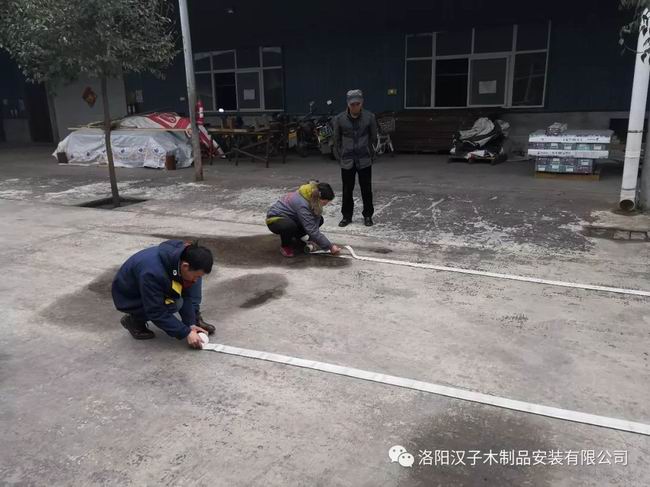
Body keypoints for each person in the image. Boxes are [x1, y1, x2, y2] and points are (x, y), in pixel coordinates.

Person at [112, 240, 216, 349]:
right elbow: (156, 311)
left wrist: (190, 324)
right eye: (196, 276)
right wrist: (185, 332)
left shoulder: (183, 256)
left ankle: (195, 318)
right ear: (185, 266)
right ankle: (134, 320)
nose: (196, 280)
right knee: (175, 303)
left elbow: (185, 292)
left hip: (151, 284)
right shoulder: (152, 274)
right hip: (129, 298)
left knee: (192, 279)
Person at [332, 89, 378, 227]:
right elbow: (336, 140)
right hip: (347, 160)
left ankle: (368, 215)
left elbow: (373, 137)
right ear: (348, 103)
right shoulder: (339, 119)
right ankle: (346, 216)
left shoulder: (369, 117)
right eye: (352, 104)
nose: (355, 106)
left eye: (357, 104)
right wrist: (340, 156)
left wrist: (370, 154)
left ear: (362, 103)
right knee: (347, 190)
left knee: (366, 189)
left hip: (364, 160)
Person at [266, 181, 341, 258]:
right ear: (319, 198)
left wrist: (312, 239)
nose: (326, 204)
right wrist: (330, 247)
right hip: (274, 219)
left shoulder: (312, 196)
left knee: (320, 220)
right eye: (325, 202)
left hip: (291, 218)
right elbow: (311, 229)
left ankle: (294, 237)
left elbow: (315, 220)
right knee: (289, 226)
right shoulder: (302, 204)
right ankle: (285, 246)